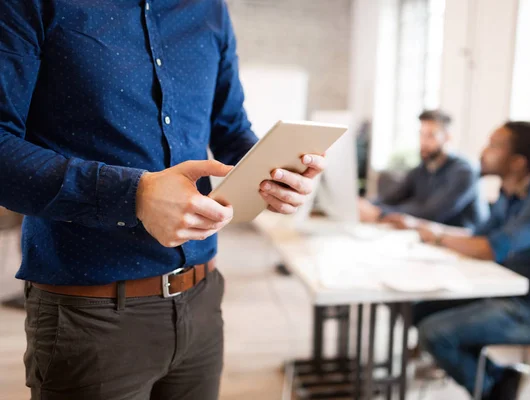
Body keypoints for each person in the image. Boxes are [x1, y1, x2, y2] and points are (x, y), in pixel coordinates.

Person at [0, 1, 325, 399]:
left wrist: (275, 173)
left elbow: (230, 129)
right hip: (90, 317)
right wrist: (134, 194)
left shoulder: (209, 10)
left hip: (203, 301)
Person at [413, 122, 530, 400]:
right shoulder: (509, 191)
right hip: (503, 293)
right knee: (421, 309)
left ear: (518, 162)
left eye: (493, 145)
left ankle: (493, 391)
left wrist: (439, 237)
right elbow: (477, 236)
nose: (483, 152)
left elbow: (491, 248)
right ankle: (500, 378)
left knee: (435, 333)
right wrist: (428, 232)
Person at [359, 110, 488, 231]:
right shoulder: (422, 169)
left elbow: (432, 213)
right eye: (422, 134)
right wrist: (367, 204)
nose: (424, 142)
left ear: (447, 137)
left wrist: (380, 213)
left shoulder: (465, 172)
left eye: (431, 136)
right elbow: (393, 197)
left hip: (462, 243)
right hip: (430, 239)